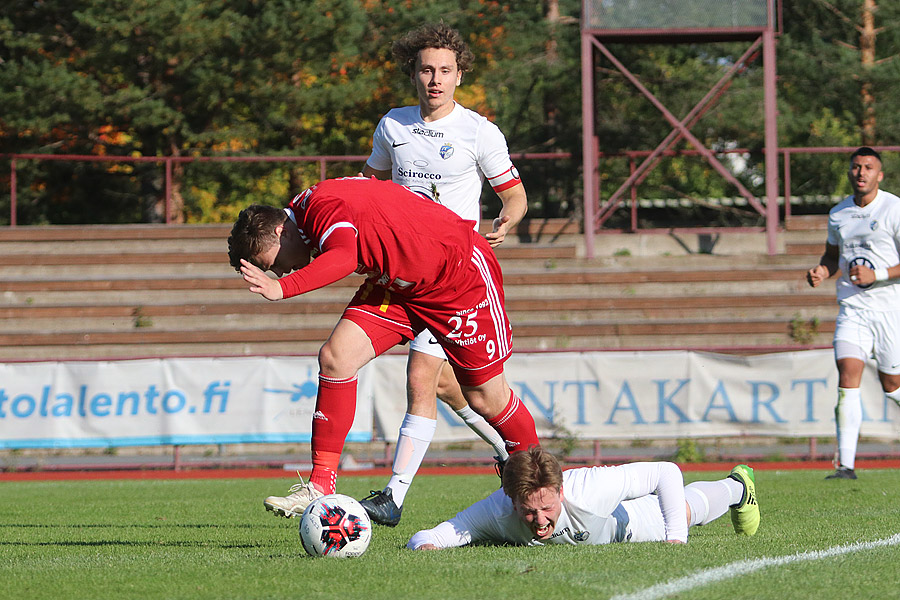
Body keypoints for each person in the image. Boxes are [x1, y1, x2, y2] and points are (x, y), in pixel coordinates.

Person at [227, 176, 540, 518]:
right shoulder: (309, 213)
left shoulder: (320, 206)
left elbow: (345, 256)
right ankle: (320, 484)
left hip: (458, 277)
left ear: (278, 232)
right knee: (336, 358)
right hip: (400, 285)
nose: (282, 269)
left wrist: (283, 287)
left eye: (272, 264)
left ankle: (540, 487)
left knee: (485, 397)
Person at [358, 23, 529, 526]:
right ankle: (506, 450)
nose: (435, 79)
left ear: (459, 76)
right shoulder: (393, 125)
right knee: (450, 389)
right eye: (427, 69)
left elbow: (513, 193)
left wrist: (508, 217)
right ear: (413, 74)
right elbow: (372, 185)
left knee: (420, 377)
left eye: (445, 71)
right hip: (402, 273)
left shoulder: (479, 130)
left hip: (453, 276)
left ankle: (393, 497)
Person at [407, 446, 759, 550]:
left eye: (547, 507)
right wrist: (424, 548)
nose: (541, 521)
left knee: (682, 510)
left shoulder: (592, 487)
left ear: (561, 491)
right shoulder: (496, 510)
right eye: (529, 513)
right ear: (512, 500)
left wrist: (676, 540)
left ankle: (738, 486)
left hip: (624, 524)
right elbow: (430, 536)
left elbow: (665, 471)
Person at [806, 147, 900, 480]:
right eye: (856, 167)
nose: (861, 172)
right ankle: (845, 465)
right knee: (848, 376)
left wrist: (880, 275)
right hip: (853, 309)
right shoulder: (839, 214)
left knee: (892, 386)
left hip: (890, 310)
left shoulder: (894, 208)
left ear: (880, 175)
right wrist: (822, 270)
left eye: (868, 167)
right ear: (849, 172)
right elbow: (833, 257)